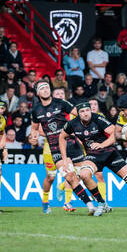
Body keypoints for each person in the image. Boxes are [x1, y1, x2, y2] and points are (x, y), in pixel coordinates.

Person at [59, 102, 127, 217]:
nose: (86, 113)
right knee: (84, 174)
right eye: (82, 112)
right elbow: (62, 137)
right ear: (78, 114)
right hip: (93, 155)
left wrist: (102, 145)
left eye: (88, 110)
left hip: (110, 153)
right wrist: (64, 159)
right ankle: (101, 202)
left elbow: (114, 133)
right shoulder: (72, 124)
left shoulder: (98, 118)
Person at [30, 80, 97, 215]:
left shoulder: (61, 103)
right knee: (53, 177)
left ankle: (98, 202)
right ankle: (46, 202)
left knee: (82, 174)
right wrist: (34, 136)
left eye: (47, 87)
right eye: (42, 88)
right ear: (38, 93)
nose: (45, 90)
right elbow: (34, 128)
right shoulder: (36, 110)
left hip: (72, 144)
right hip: (53, 148)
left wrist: (78, 128)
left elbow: (79, 114)